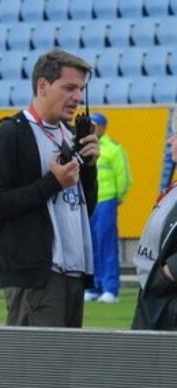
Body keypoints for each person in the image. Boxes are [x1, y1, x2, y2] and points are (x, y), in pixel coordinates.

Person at [0, 48, 100, 327]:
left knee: (64, 368)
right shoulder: (11, 134)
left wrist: (89, 168)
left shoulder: (70, 135)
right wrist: (52, 183)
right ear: (43, 86)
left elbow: (82, 206)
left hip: (74, 271)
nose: (77, 97)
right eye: (69, 87)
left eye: (80, 89)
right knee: (36, 367)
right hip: (37, 276)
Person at [132, 111, 177, 330]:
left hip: (168, 303)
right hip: (155, 300)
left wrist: (165, 276)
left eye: (176, 135)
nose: (170, 140)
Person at [84, 112, 132, 304]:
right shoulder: (85, 147)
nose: (93, 128)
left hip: (106, 201)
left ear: (104, 127)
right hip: (91, 202)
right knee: (91, 246)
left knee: (106, 244)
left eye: (96, 125)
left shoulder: (113, 149)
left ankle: (110, 288)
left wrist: (117, 198)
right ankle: (93, 287)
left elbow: (124, 177)